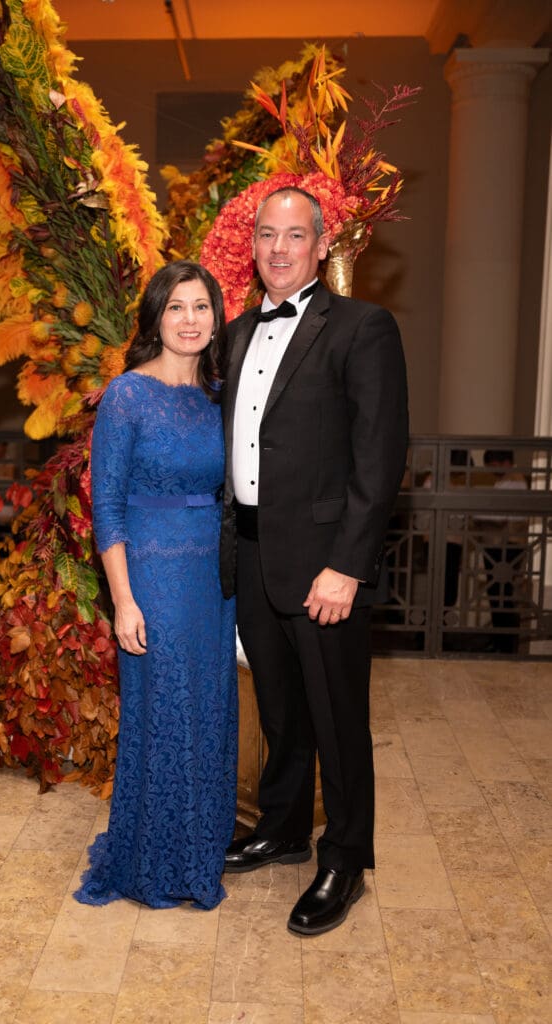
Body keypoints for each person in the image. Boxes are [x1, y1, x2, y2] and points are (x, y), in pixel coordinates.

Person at [219, 186, 408, 935]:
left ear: (322, 246)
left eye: (294, 235)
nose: (278, 248)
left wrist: (347, 566)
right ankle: (285, 827)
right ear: (253, 245)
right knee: (280, 707)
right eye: (267, 234)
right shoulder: (237, 333)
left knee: (337, 717)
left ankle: (346, 857)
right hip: (252, 553)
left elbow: (379, 456)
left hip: (325, 564)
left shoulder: (362, 327)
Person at [74, 260, 237, 910]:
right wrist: (123, 600)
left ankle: (199, 854)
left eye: (201, 307)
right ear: (155, 317)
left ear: (216, 318)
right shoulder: (127, 395)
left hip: (211, 580)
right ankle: (153, 862)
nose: (189, 320)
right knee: (165, 713)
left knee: (208, 711)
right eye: (176, 307)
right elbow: (107, 506)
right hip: (150, 573)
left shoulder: (220, 396)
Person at [476, 449, 528, 654]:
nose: (491, 470)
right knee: (497, 594)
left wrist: (475, 513)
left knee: (501, 595)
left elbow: (499, 515)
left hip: (506, 545)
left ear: (505, 462)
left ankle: (505, 645)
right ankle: (499, 642)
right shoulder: (505, 480)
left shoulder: (514, 481)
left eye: (493, 466)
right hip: (499, 544)